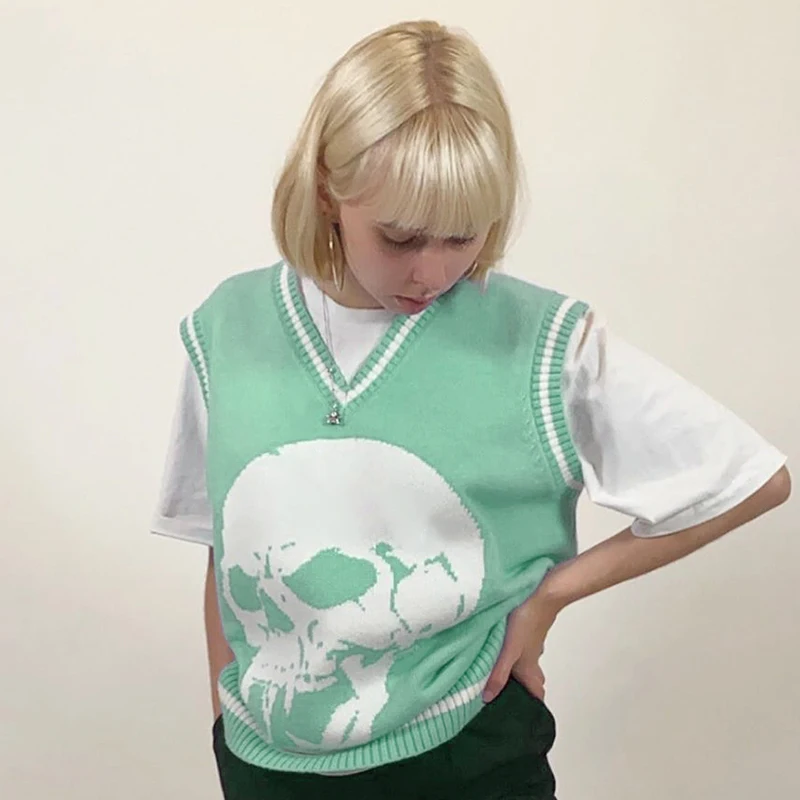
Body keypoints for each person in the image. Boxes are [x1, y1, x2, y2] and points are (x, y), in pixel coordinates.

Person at [151, 19, 791, 800]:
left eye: (461, 237)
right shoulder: (226, 330)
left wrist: (550, 597)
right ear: (326, 189)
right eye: (400, 237)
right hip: (267, 766)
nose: (432, 272)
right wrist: (227, 719)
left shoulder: (541, 344)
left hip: (466, 752)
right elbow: (226, 544)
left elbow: (748, 478)